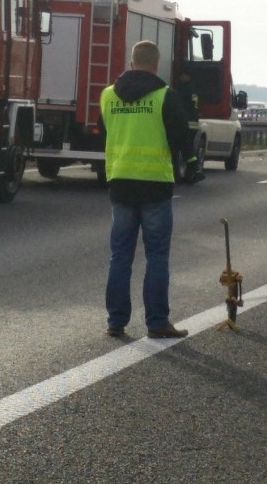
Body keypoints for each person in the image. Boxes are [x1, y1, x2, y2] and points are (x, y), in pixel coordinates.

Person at [98, 40, 191, 339]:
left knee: (120, 256)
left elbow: (105, 132)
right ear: (156, 63)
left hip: (120, 182)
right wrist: (188, 164)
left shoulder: (107, 96)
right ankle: (157, 322)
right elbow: (180, 136)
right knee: (157, 256)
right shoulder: (164, 96)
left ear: (131, 61)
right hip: (155, 186)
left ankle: (116, 321)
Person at [175, 70, 205, 183]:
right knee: (188, 148)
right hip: (194, 124)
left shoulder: (183, 90)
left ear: (186, 75)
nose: (180, 78)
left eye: (182, 75)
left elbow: (177, 104)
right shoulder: (193, 89)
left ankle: (193, 171)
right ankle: (190, 174)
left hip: (186, 124)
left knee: (185, 149)